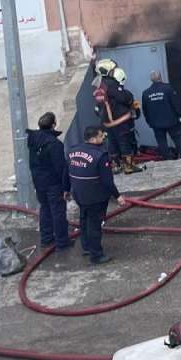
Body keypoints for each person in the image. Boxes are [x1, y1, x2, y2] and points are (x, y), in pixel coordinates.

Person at [67, 126, 127, 264]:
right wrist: (117, 196)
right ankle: (96, 255)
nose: (103, 137)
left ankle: (86, 247)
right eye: (101, 136)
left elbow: (67, 171)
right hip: (96, 197)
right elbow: (107, 181)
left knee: (84, 220)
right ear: (93, 139)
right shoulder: (100, 155)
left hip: (79, 194)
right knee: (94, 225)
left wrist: (66, 189)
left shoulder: (72, 151)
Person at [28, 112, 72, 251]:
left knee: (45, 209)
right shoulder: (54, 144)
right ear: (53, 125)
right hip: (53, 183)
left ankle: (46, 238)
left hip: (39, 182)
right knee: (58, 212)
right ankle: (62, 241)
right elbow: (61, 167)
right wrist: (66, 187)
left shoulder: (33, 139)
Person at [97, 66, 142, 174]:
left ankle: (115, 165)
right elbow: (127, 100)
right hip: (121, 122)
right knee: (124, 142)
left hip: (108, 124)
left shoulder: (103, 90)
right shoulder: (119, 91)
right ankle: (128, 166)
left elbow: (98, 109)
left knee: (112, 143)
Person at [142, 71, 181, 160]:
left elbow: (145, 110)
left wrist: (149, 122)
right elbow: (176, 104)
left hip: (156, 123)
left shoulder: (146, 93)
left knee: (162, 143)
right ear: (160, 77)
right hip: (171, 121)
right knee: (177, 139)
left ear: (151, 80)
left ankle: (168, 159)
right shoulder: (168, 89)